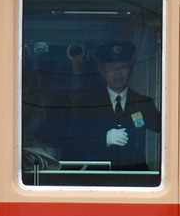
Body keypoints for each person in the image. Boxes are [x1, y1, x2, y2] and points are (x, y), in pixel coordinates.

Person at [58, 41, 160, 170]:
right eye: (112, 68)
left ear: (130, 70)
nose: (118, 73)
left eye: (123, 67)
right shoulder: (88, 103)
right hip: (99, 180)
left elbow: (166, 129)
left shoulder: (142, 103)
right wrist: (104, 138)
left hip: (134, 180)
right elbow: (73, 139)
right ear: (103, 71)